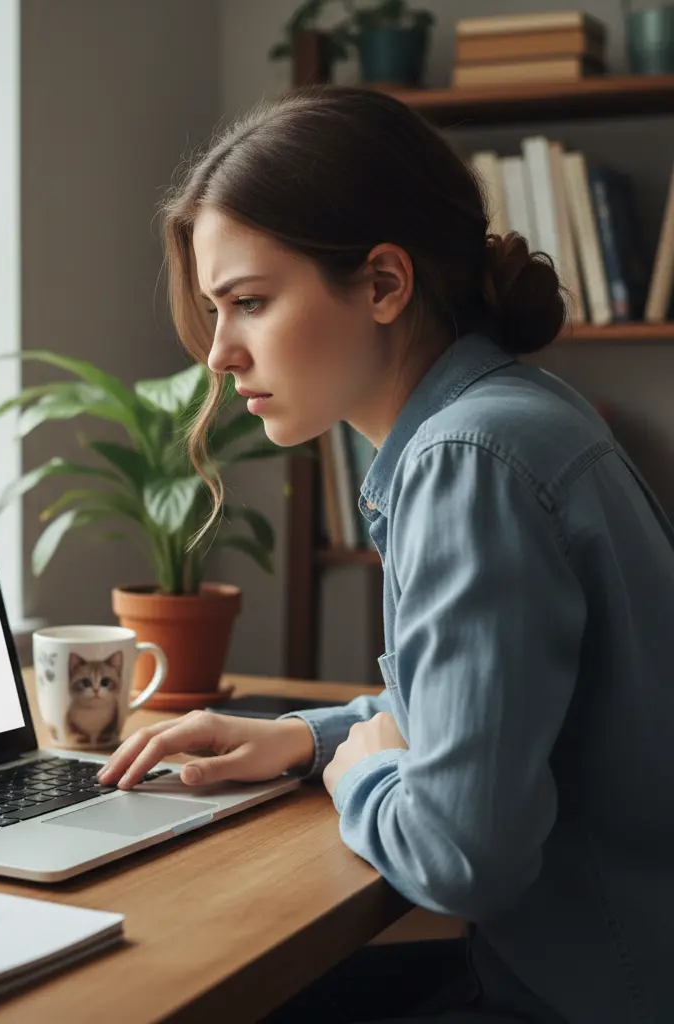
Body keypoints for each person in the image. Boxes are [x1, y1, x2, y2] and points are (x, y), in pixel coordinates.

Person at [96, 86, 674, 1024]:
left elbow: (460, 855)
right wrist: (304, 739)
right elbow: (489, 711)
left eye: (249, 302)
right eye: (217, 310)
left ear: (383, 284)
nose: (219, 356)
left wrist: (356, 773)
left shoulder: (465, 462)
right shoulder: (522, 413)